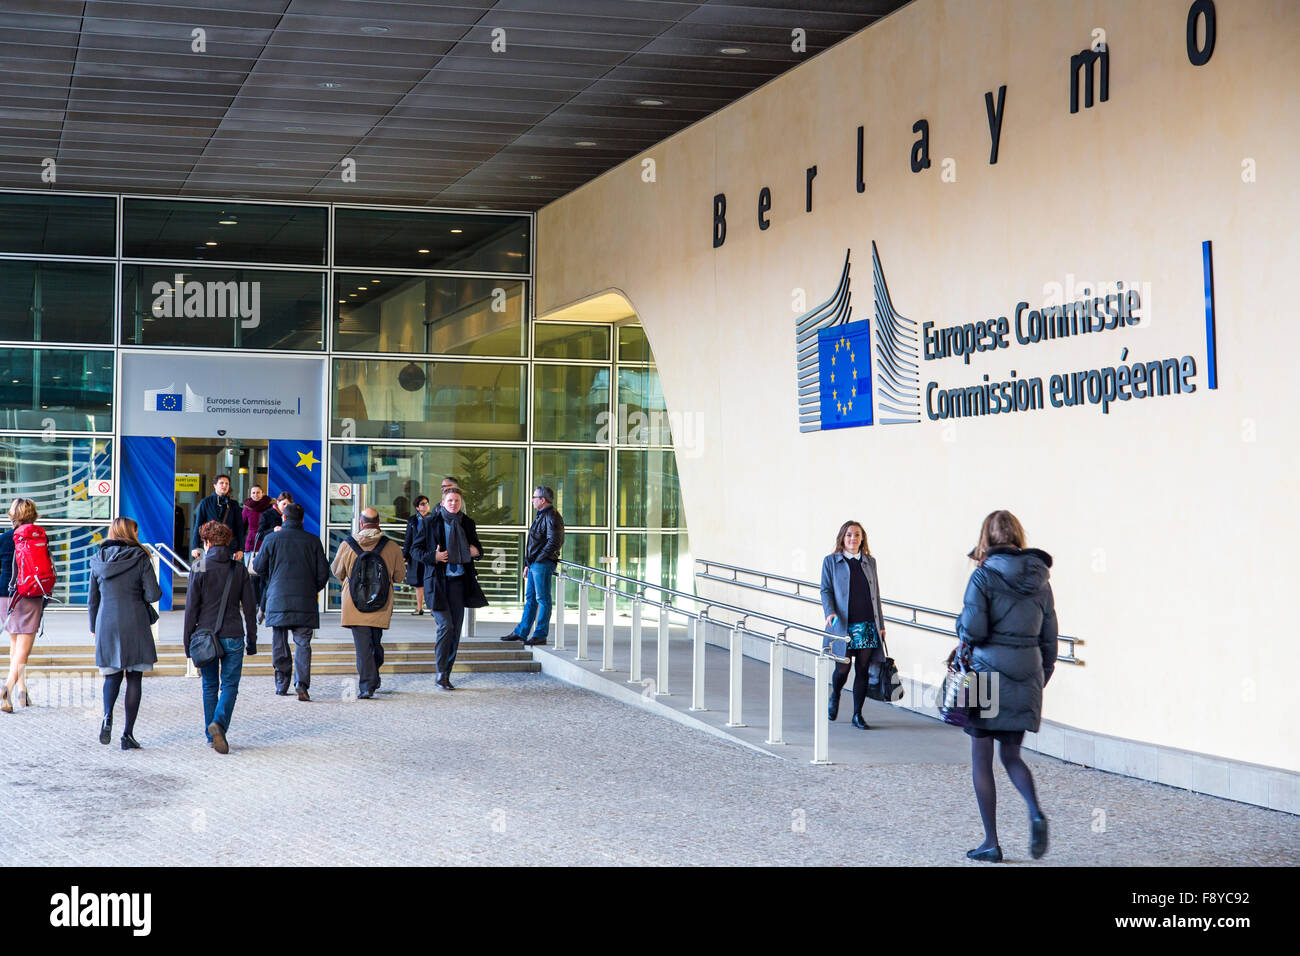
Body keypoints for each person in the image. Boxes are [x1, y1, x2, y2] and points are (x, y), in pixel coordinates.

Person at [956, 509, 1058, 863]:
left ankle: (991, 843)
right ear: (1018, 537)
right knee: (1012, 756)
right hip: (1026, 673)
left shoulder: (982, 578)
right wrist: (1037, 679)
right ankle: (1034, 811)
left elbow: (974, 631)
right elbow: (1050, 642)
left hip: (985, 675)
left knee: (981, 758)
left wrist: (960, 626)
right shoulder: (1041, 582)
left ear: (986, 539)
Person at [183, 521, 257, 754]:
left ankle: (210, 734)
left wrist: (187, 641)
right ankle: (220, 724)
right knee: (230, 685)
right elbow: (250, 608)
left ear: (206, 542)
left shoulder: (200, 566)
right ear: (227, 542)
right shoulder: (239, 569)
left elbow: (191, 609)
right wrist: (252, 640)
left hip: (205, 636)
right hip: (234, 633)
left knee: (209, 685)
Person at [88, 517, 161, 749]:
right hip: (135, 621)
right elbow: (153, 595)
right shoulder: (140, 557)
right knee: (134, 678)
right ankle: (127, 735)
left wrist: (93, 627)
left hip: (106, 621)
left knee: (112, 676)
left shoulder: (98, 558)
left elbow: (92, 600)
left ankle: (107, 715)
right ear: (131, 533)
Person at [411, 487, 487, 690]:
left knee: (455, 631)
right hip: (437, 582)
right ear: (443, 502)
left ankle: (445, 674)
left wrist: (476, 552)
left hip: (459, 583)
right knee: (446, 626)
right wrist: (433, 557)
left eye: (457, 501)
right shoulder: (430, 522)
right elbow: (414, 550)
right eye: (450, 500)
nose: (453, 504)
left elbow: (478, 549)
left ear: (460, 502)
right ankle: (440, 671)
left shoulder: (467, 523)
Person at [253, 502, 329, 701]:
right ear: (302, 520)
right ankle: (301, 684)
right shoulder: (313, 541)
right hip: (306, 600)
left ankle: (281, 682)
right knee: (303, 644)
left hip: (278, 598)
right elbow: (323, 574)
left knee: (279, 642)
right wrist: (312, 590)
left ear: (283, 519)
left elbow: (259, 567)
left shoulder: (272, 539)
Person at [819, 520, 887, 730]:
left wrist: (881, 624)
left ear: (862, 538)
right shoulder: (831, 561)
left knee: (863, 669)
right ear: (842, 538)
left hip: (867, 624)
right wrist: (829, 612)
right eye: (849, 535)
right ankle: (836, 693)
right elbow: (825, 589)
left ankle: (857, 714)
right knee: (843, 668)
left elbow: (875, 594)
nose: (853, 539)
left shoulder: (869, 562)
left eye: (857, 535)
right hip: (843, 625)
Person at [331, 508, 405, 700]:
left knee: (363, 646)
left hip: (354, 604)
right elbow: (399, 576)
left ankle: (367, 685)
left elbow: (337, 572)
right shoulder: (392, 547)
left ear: (361, 523)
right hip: (381, 602)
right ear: (378, 523)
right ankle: (371, 678)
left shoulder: (347, 545)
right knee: (375, 643)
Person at [1, 498, 51, 713]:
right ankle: (7, 688)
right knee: (24, 647)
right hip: (31, 593)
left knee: (15, 642)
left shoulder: (4, 538)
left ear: (12, 515)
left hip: (5, 593)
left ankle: (22, 691)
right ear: (33, 514)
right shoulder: (40, 536)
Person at [504, 486, 564, 646]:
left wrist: (537, 560)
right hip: (535, 564)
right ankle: (521, 632)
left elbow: (555, 542)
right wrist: (528, 564)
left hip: (542, 564)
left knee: (542, 599)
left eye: (534, 497)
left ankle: (540, 635)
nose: (532, 500)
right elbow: (534, 544)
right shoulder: (541, 516)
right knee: (530, 598)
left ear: (542, 500)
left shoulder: (552, 516)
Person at [191, 475, 245, 563]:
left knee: (228, 574)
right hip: (210, 546)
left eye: (227, 483)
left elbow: (239, 528)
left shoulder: (234, 504)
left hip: (230, 547)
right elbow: (198, 525)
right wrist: (195, 547)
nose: (224, 485)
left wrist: (241, 549)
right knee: (208, 572)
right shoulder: (205, 502)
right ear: (215, 485)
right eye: (221, 483)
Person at [402, 495, 431, 615]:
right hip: (416, 554)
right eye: (422, 504)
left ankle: (433, 608)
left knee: (431, 581)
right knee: (419, 583)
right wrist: (405, 555)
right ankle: (419, 608)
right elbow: (408, 539)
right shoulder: (413, 520)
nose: (425, 506)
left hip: (430, 554)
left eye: (427, 503)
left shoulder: (433, 518)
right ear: (417, 507)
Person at [241, 484, 274, 564]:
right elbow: (242, 527)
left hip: (267, 541)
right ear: (250, 494)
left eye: (258, 492)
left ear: (262, 493)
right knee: (250, 571)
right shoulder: (247, 508)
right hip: (252, 543)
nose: (255, 495)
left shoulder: (270, 507)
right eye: (253, 493)